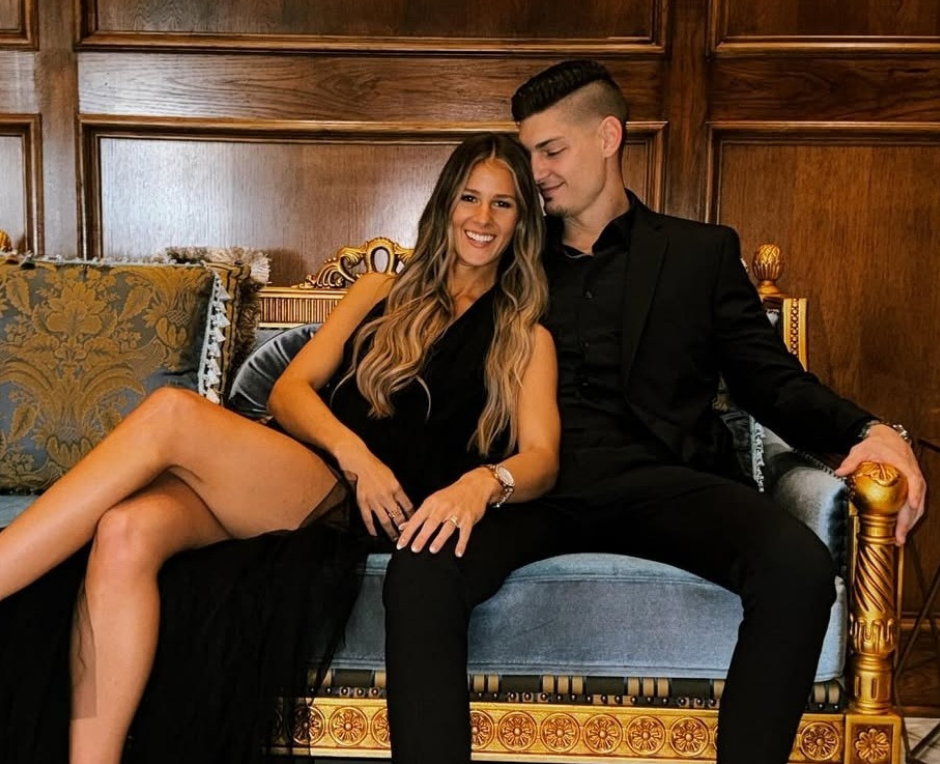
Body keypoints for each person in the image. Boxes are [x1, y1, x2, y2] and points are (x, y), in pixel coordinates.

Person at [381, 61, 927, 764]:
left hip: (664, 479)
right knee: (421, 569)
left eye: (552, 151)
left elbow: (770, 380)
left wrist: (869, 430)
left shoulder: (699, 254)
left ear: (607, 136)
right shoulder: (505, 254)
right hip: (532, 485)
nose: (536, 171)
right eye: (530, 154)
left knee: (796, 565)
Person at [0, 132, 560, 764]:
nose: (481, 219)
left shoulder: (525, 336)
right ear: (445, 204)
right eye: (469, 198)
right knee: (126, 531)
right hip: (321, 468)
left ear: (522, 223)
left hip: (356, 508)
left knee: (171, 414)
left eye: (503, 204)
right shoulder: (380, 290)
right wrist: (357, 456)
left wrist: (479, 484)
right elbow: (291, 392)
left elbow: (541, 458)